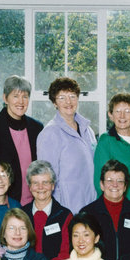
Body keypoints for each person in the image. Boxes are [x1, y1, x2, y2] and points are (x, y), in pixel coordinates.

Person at [0, 75, 43, 204]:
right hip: (1, 202)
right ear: (5, 98)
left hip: (32, 203)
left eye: (25, 96)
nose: (20, 102)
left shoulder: (36, 128)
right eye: (15, 96)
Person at [37, 77, 97, 214]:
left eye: (72, 96)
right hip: (67, 209)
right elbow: (47, 179)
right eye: (62, 97)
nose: (68, 102)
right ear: (54, 103)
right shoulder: (49, 134)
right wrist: (59, 212)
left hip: (90, 205)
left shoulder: (88, 130)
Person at [81, 160, 130, 260]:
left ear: (125, 186)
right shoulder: (88, 213)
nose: (115, 185)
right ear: (102, 185)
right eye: (110, 180)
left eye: (120, 181)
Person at [93, 93, 130, 205]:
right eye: (117, 111)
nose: (122, 116)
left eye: (127, 111)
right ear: (110, 115)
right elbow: (100, 180)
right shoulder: (106, 141)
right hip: (115, 206)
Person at [22, 160, 72, 260]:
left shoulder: (64, 215)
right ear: (30, 187)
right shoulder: (21, 215)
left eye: (45, 182)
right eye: (35, 183)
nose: (41, 187)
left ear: (53, 185)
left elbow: (65, 253)